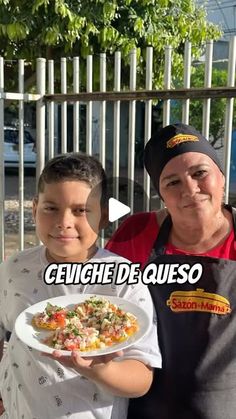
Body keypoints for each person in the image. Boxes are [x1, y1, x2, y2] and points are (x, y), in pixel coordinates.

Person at [0, 152, 161, 419]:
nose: (64, 222)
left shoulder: (122, 279)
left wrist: (101, 371)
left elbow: (142, 377)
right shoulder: (15, 268)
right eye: (51, 208)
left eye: (81, 210)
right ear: (34, 208)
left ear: (105, 216)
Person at [106, 123, 236, 419]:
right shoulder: (135, 234)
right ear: (161, 195)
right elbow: (101, 305)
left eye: (200, 173)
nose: (190, 189)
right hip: (144, 407)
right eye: (172, 182)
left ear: (221, 176)